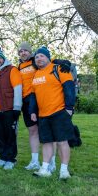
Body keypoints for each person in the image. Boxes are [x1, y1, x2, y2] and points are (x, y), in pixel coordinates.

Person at [30, 46, 75, 179]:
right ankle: (45, 169)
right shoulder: (36, 74)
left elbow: (69, 88)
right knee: (47, 142)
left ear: (48, 57)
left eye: (41, 56)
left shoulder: (59, 69)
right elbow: (33, 95)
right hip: (43, 115)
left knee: (62, 141)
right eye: (37, 57)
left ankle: (64, 171)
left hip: (59, 112)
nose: (39, 58)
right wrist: (32, 111)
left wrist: (69, 107)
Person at [0, 47, 22, 170]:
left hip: (9, 109)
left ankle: (11, 159)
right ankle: (2, 157)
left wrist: (17, 108)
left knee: (10, 134)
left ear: (3, 58)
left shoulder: (12, 70)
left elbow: (18, 88)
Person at [17, 42, 41, 170]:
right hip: (25, 102)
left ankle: (51, 163)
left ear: (30, 52)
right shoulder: (18, 67)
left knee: (46, 130)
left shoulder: (36, 62)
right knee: (32, 131)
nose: (23, 53)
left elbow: (50, 63)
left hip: (38, 99)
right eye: (20, 51)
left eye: (25, 50)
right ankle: (35, 161)